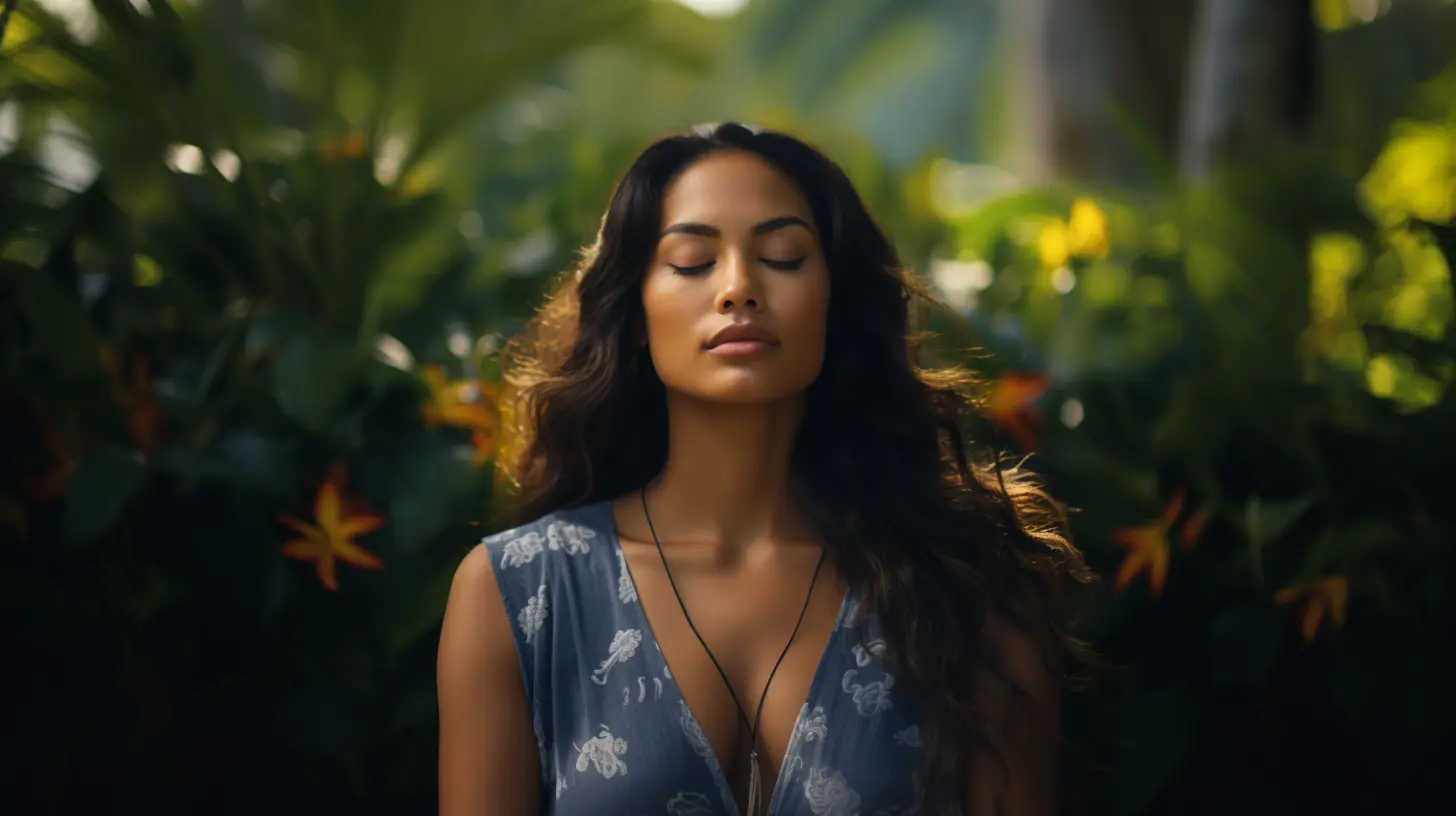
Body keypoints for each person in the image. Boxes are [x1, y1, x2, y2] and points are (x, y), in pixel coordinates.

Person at [437, 122, 1090, 816]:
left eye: (782, 256)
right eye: (692, 261)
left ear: (835, 302)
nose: (739, 288)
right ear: (634, 313)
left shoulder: (973, 589)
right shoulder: (517, 595)